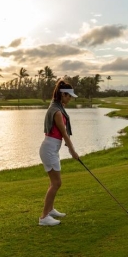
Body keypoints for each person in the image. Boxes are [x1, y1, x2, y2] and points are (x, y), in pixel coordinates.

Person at [38, 79, 79, 226]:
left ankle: (50, 210)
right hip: (49, 149)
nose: (70, 99)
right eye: (68, 96)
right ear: (62, 95)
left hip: (52, 148)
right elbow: (64, 133)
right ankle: (43, 218)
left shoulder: (57, 106)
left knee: (54, 183)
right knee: (56, 183)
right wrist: (73, 151)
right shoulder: (56, 111)